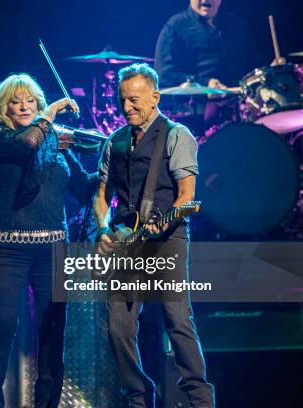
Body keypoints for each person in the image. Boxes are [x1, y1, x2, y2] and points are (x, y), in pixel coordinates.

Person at [93, 63, 215, 407]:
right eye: (122, 101)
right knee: (118, 327)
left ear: (155, 97)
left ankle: (199, 397)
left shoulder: (177, 135)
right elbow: (101, 196)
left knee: (176, 318)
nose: (126, 107)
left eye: (134, 100)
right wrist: (103, 229)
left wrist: (166, 220)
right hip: (125, 241)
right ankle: (137, 396)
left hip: (167, 239)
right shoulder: (113, 142)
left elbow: (187, 195)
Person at [0, 73, 97, 408]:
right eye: (16, 101)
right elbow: (26, 144)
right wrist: (49, 115)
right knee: (2, 325)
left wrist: (111, 163)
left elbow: (84, 188)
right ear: (5, 107)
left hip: (52, 249)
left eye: (31, 100)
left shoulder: (54, 142)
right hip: (6, 246)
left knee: (52, 328)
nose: (24, 106)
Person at [154, 0, 262, 90]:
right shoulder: (175, 27)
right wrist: (204, 84)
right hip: (197, 109)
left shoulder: (237, 25)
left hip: (240, 107)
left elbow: (255, 66)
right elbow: (164, 74)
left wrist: (272, 71)